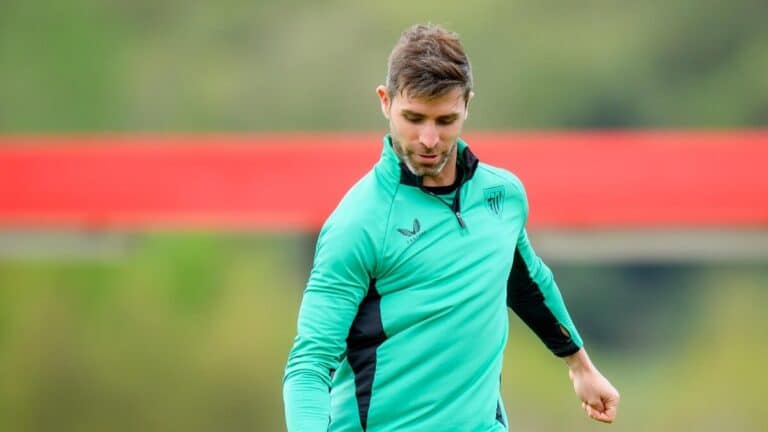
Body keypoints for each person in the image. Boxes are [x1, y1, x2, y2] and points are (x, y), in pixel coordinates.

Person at [283, 23, 620, 431]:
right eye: (414, 118)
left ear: (467, 105)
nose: (428, 139)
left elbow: (526, 280)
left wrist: (580, 366)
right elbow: (309, 365)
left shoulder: (503, 197)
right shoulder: (359, 223)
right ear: (385, 101)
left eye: (445, 120)